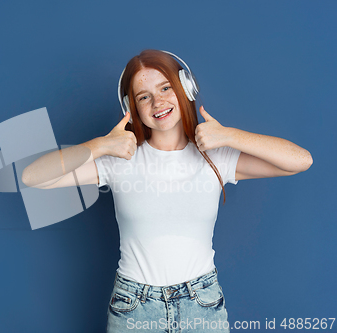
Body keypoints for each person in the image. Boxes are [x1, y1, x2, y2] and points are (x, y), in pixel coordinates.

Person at [21, 49, 313, 332]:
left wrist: (229, 136)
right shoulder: (119, 159)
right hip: (133, 307)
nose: (157, 102)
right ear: (131, 108)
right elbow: (33, 176)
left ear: (185, 87)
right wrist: (99, 146)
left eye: (165, 88)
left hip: (202, 303)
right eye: (144, 96)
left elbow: (300, 160)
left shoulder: (215, 156)